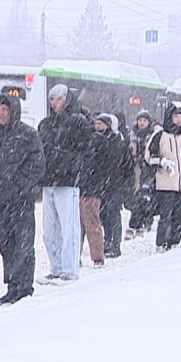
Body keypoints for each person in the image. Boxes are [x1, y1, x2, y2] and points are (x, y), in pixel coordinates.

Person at [0, 93, 45, 305]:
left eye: (5, 109)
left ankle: (24, 287)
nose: (1, 113)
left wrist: (19, 186)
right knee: (6, 245)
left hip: (21, 201)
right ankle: (12, 285)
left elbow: (37, 166)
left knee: (23, 244)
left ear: (13, 111)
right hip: (0, 201)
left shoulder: (27, 135)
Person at [37, 84, 93, 283]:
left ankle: (69, 270)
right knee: (50, 228)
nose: (54, 103)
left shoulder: (78, 122)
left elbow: (87, 150)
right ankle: (56, 266)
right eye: (52, 99)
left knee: (68, 227)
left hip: (68, 181)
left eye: (58, 99)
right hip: (49, 180)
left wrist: (70, 164)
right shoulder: (45, 124)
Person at [145, 101, 181, 251]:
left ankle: (174, 243)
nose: (178, 119)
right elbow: (148, 156)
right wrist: (161, 161)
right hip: (166, 183)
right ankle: (161, 244)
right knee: (166, 217)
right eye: (176, 115)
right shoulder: (160, 136)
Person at [93, 113, 133, 259]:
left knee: (113, 214)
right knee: (103, 215)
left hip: (114, 184)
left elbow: (125, 164)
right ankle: (107, 242)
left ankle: (114, 244)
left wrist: (125, 184)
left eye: (101, 124)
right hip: (100, 185)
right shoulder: (94, 140)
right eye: (96, 124)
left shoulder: (117, 141)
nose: (98, 127)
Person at [78, 109, 107, 269]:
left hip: (90, 187)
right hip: (81, 186)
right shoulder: (84, 139)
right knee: (79, 225)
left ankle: (97, 257)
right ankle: (76, 256)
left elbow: (103, 164)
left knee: (91, 223)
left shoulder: (95, 140)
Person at [125, 110, 160, 240]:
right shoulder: (133, 135)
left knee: (145, 196)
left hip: (149, 168)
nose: (142, 123)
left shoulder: (153, 135)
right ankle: (138, 223)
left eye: (144, 120)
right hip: (136, 169)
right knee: (137, 195)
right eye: (140, 120)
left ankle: (141, 222)